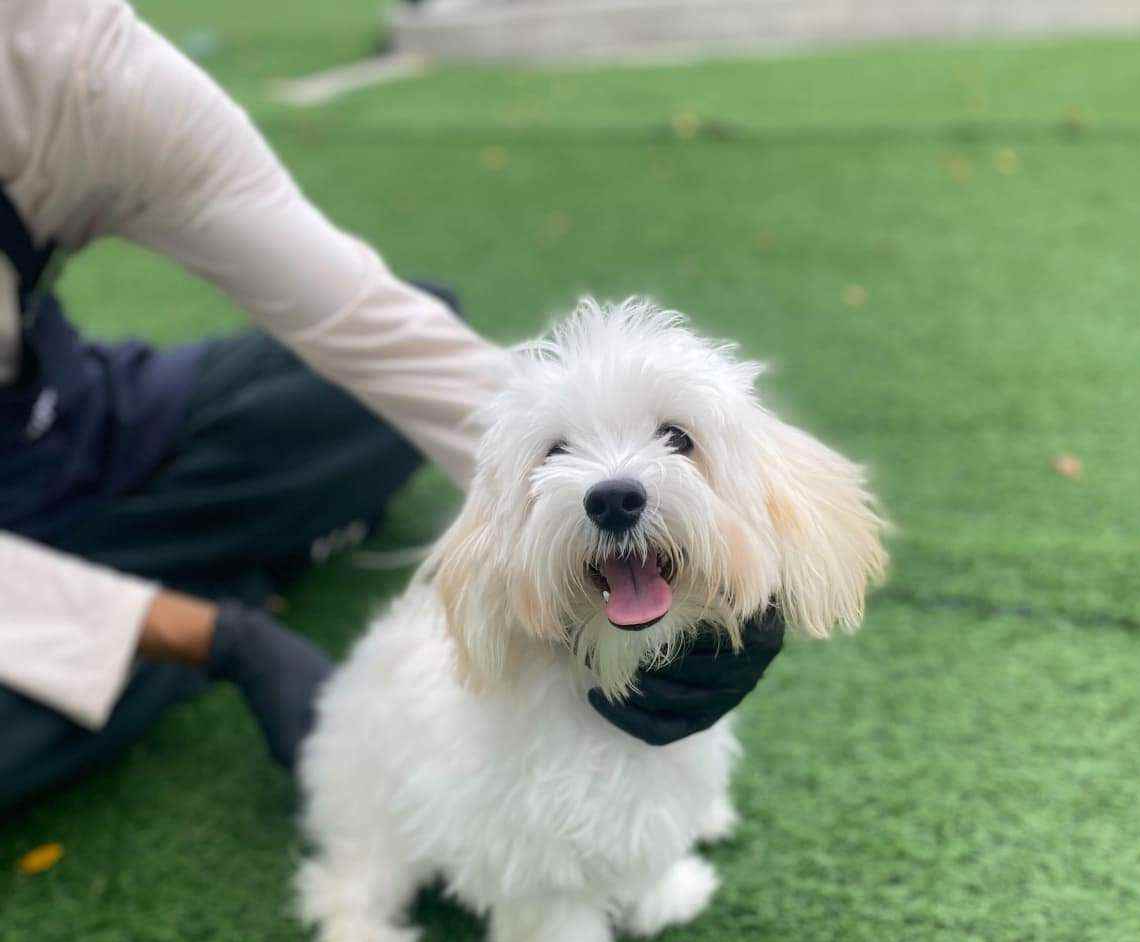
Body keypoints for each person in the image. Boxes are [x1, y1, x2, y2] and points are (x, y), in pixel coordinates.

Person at [0, 0, 782, 816]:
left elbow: (361, 319)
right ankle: (172, 601)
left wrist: (721, 522)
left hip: (62, 415)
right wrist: (220, 638)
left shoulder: (72, 56)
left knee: (370, 371)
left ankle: (145, 573)